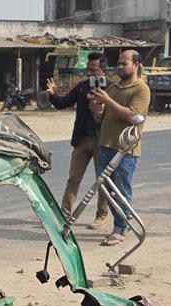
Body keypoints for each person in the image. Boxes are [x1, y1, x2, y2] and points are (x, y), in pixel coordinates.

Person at [90, 49, 150, 247]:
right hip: (105, 146)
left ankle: (119, 229)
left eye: (125, 63)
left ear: (136, 65)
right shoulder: (114, 88)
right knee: (106, 190)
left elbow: (132, 116)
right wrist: (98, 109)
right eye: (119, 63)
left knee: (121, 190)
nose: (121, 66)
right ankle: (122, 220)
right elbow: (102, 117)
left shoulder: (141, 89)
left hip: (125, 150)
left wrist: (108, 101)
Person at [46, 53, 109, 227]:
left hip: (102, 141)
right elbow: (62, 103)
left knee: (102, 180)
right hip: (82, 140)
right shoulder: (82, 87)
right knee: (73, 178)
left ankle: (101, 216)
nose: (90, 73)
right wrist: (52, 94)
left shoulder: (111, 88)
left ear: (103, 70)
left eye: (94, 70)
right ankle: (64, 215)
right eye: (88, 70)